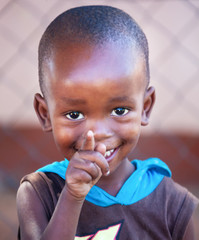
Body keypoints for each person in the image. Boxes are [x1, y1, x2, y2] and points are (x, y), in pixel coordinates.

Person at [16, 5, 198, 240]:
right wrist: (72, 196)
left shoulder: (172, 204)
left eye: (119, 110)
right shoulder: (38, 195)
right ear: (45, 114)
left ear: (146, 107)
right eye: (74, 115)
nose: (97, 133)